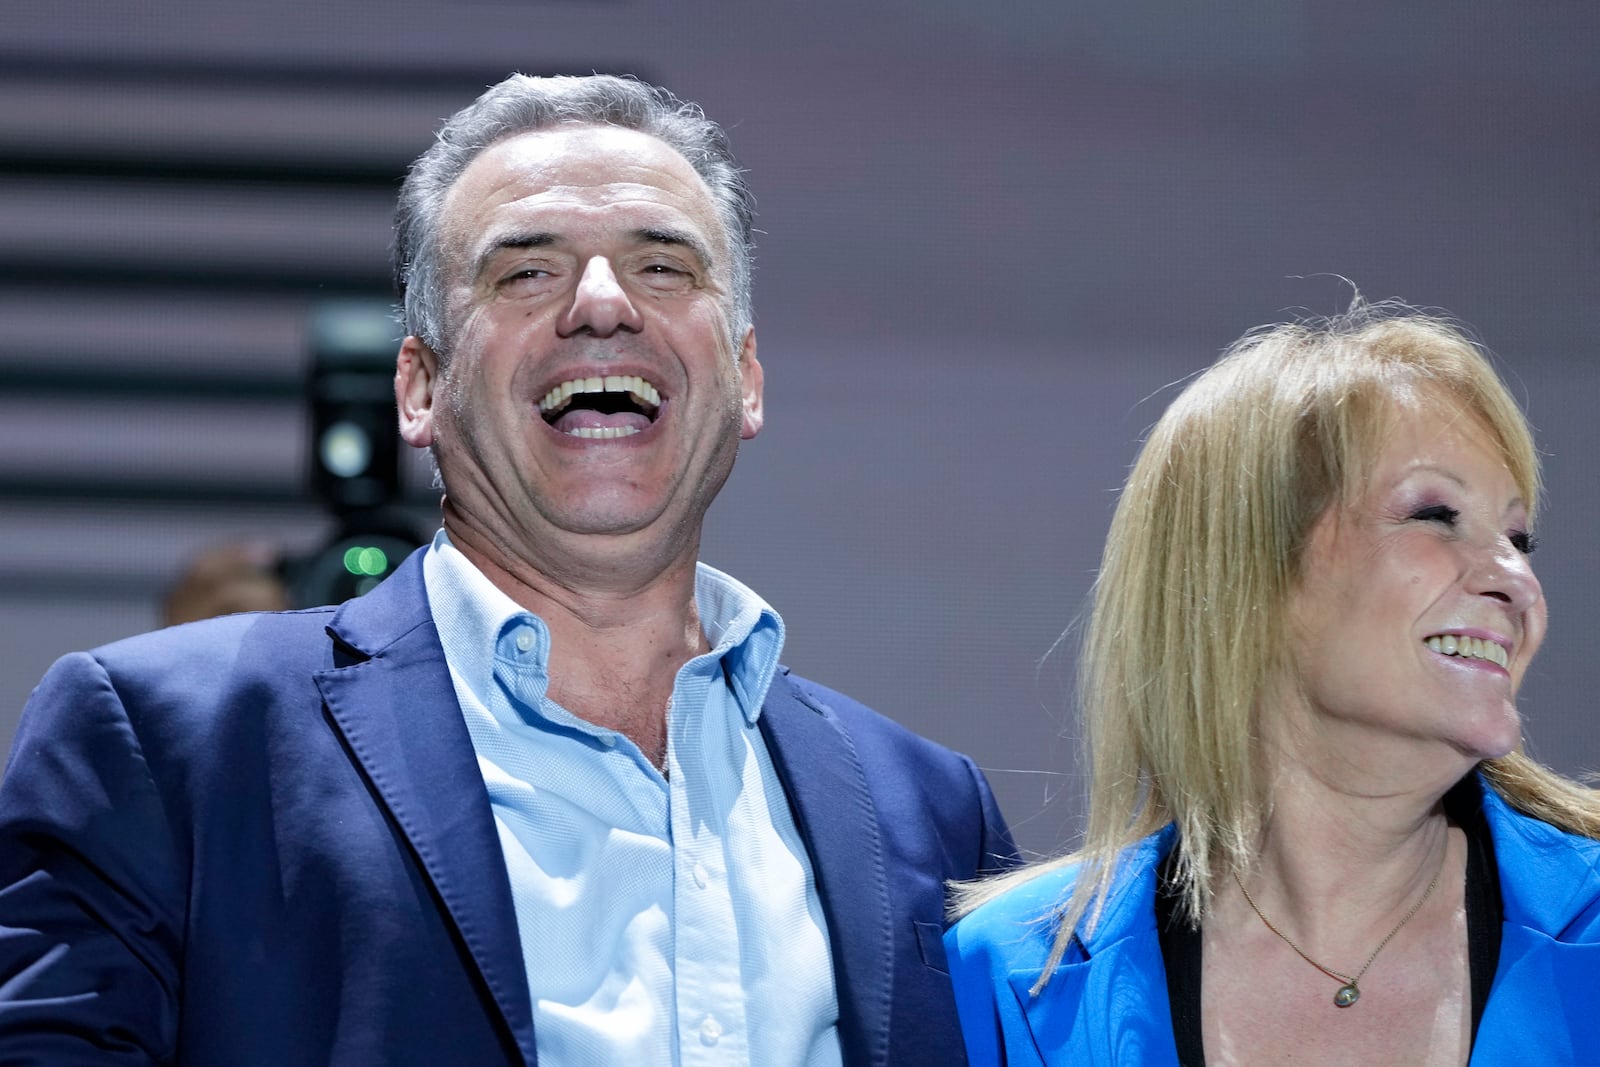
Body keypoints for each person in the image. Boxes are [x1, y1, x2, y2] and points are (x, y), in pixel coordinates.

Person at [0, 74, 1016, 1064]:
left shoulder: (928, 810)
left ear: (745, 379)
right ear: (420, 387)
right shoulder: (164, 744)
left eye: (665, 267)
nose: (604, 303)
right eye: (526, 271)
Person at [944, 303, 1600, 1065]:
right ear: (1248, 572)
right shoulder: (1012, 973)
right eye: (1436, 515)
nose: (1516, 581)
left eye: (1519, 539)